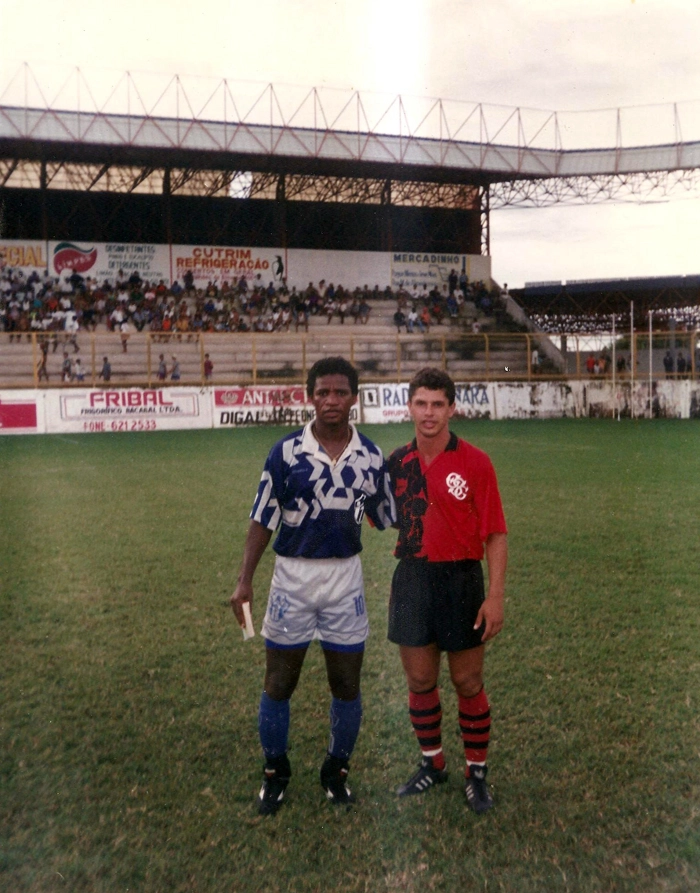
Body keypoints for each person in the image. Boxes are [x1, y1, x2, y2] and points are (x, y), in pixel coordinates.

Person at [230, 357, 395, 816]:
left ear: (354, 398)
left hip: (346, 578)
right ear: (310, 396)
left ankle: (335, 771)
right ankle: (275, 772)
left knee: (346, 684)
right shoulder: (285, 453)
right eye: (322, 392)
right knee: (280, 681)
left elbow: (386, 517)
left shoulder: (372, 456)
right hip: (293, 576)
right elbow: (263, 517)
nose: (331, 401)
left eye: (340, 392)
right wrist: (245, 580)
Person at [386, 367, 508, 814]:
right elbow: (371, 508)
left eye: (439, 404)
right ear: (409, 407)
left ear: (452, 408)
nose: (430, 412)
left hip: (461, 579)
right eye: (422, 403)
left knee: (467, 679)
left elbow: (495, 533)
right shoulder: (396, 462)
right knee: (420, 678)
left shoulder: (476, 462)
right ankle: (432, 762)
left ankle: (476, 772)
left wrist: (494, 596)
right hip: (413, 577)